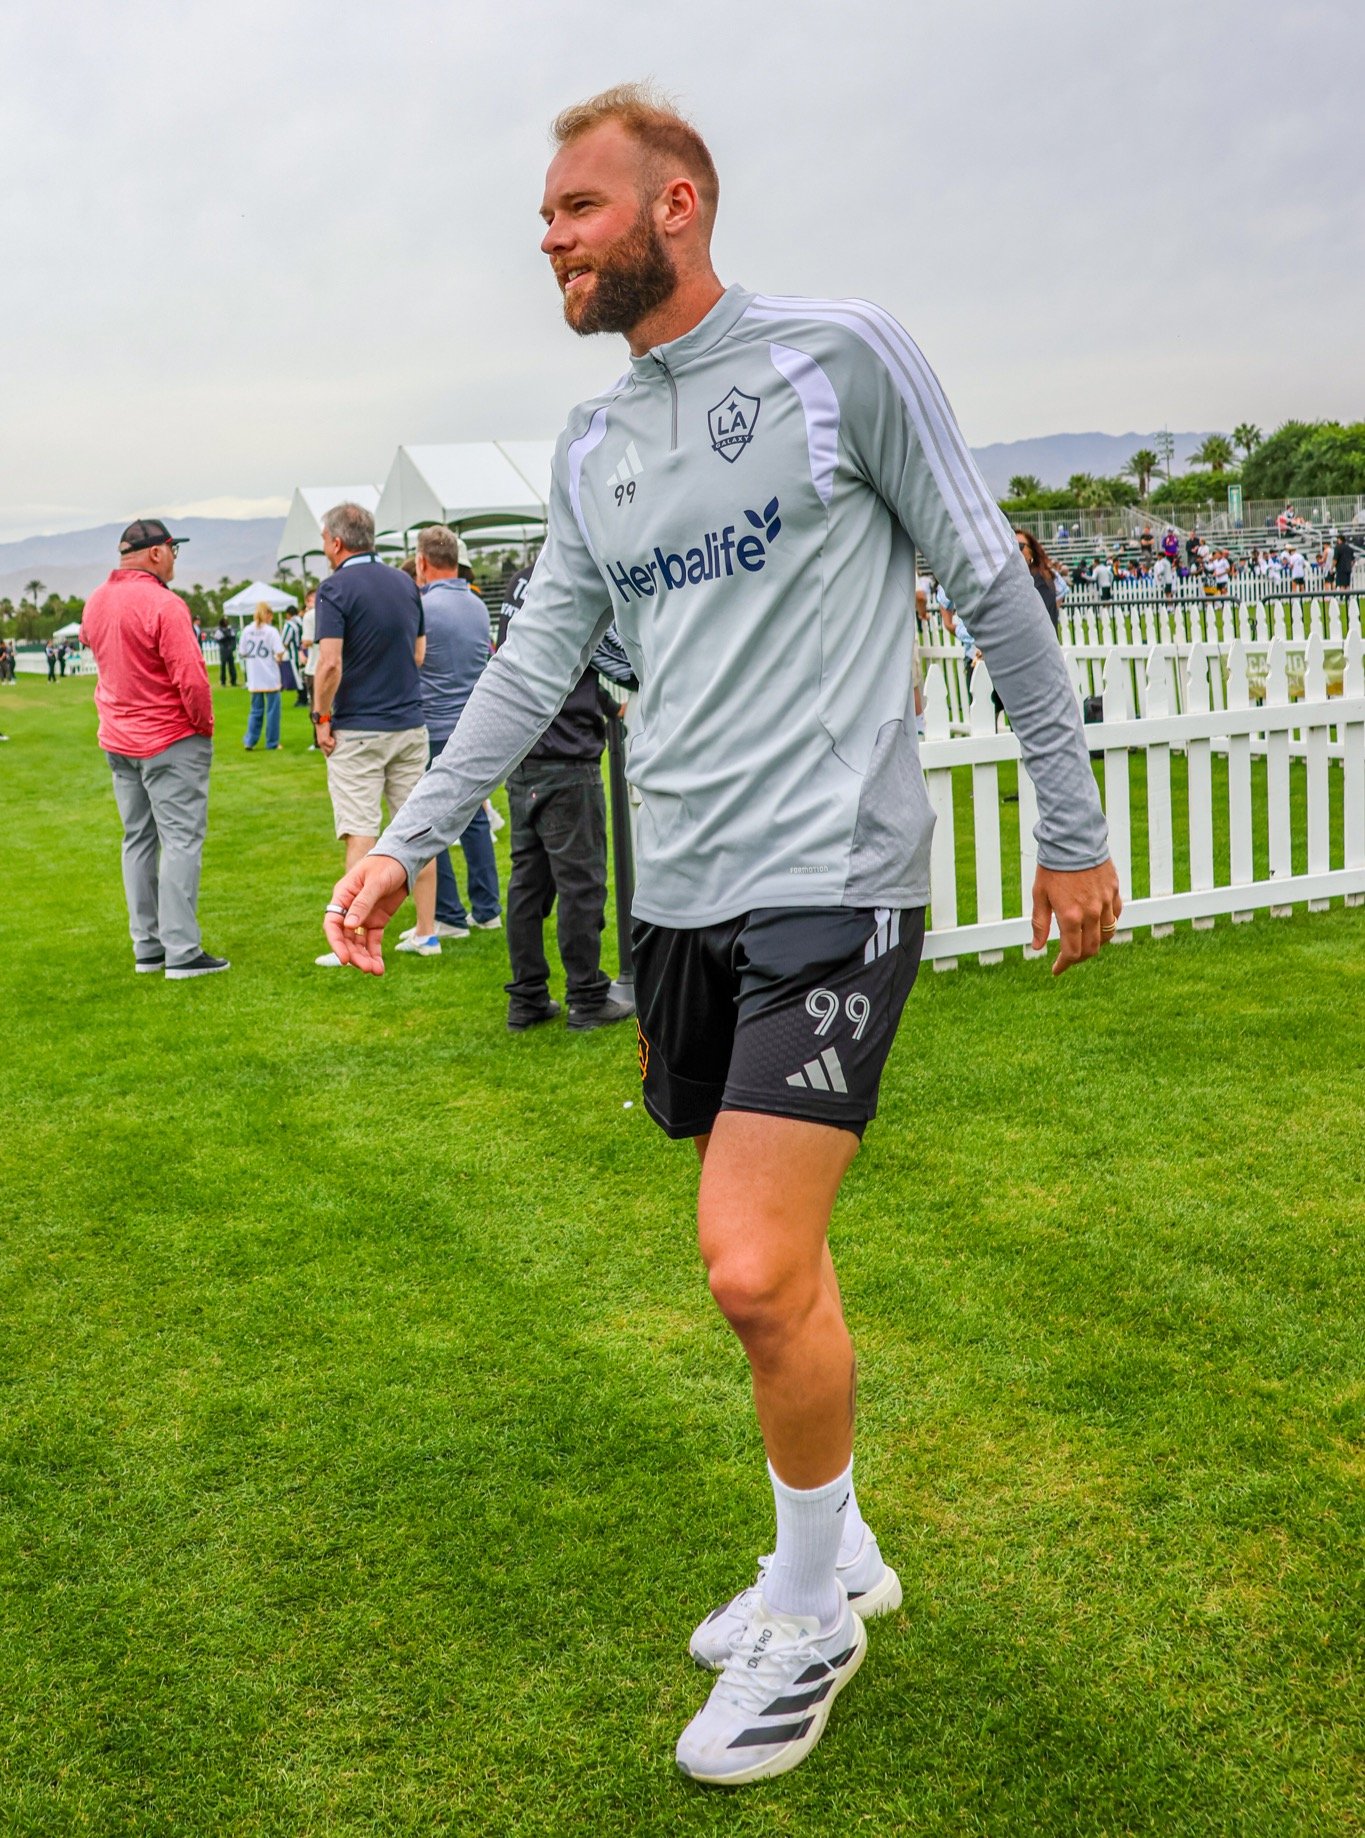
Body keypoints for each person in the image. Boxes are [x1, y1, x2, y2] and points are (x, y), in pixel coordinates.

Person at [320, 85, 1119, 1785]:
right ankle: (832, 1548)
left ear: (676, 207)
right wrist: (405, 841)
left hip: (835, 874)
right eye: (543, 212)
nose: (550, 233)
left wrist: (1070, 824)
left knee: (750, 1263)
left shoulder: (840, 357)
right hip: (677, 895)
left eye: (577, 206)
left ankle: (812, 1614)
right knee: (779, 1272)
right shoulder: (595, 446)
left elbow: (987, 576)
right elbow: (539, 668)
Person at [78, 518, 228, 978]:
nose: (175, 560)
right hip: (168, 738)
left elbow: (93, 644)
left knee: (138, 840)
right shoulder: (165, 604)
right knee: (180, 841)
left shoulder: (97, 600)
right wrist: (203, 726)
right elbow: (191, 678)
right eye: (173, 551)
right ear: (158, 553)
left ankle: (148, 946)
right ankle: (182, 950)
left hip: (119, 738)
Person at [495, 556, 635, 1031]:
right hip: (567, 759)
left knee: (528, 886)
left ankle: (528, 998)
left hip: (523, 753)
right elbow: (615, 657)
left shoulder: (520, 584)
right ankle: (588, 997)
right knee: (582, 885)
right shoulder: (571, 581)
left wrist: (607, 705)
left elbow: (552, 664)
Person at [310, 502, 434, 968]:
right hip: (408, 722)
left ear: (337, 542)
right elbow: (419, 653)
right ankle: (427, 931)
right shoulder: (405, 582)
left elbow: (329, 663)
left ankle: (352, 936)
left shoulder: (335, 588)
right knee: (416, 828)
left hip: (360, 727)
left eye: (324, 541)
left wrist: (321, 718)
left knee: (360, 830)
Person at [395, 524, 503, 954]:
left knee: (431, 819)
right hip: (474, 726)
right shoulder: (477, 606)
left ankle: (449, 915)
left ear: (421, 562)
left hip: (434, 725)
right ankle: (488, 908)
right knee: (474, 816)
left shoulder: (422, 607)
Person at [239, 603, 285, 750]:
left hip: (254, 675)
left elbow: (242, 651)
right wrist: (277, 659)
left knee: (255, 710)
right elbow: (279, 651)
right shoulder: (271, 631)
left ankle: (250, 741)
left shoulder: (247, 630)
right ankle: (272, 742)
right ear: (269, 615)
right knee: (272, 711)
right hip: (270, 675)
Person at [1014, 528, 1061, 630]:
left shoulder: (1041, 581)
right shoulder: (1018, 579)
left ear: (1031, 552)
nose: (1015, 551)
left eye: (1020, 546)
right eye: (1011, 546)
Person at [299, 588, 321, 746]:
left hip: (315, 667)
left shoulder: (310, 616)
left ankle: (319, 739)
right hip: (339, 665)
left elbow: (306, 641)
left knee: (316, 705)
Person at [280, 600, 307, 705]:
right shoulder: (302, 621)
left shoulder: (289, 625)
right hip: (304, 651)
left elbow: (284, 642)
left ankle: (302, 699)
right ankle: (305, 697)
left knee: (298, 676)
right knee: (303, 674)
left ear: (288, 614)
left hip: (294, 653)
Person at [214, 615, 238, 687]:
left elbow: (233, 639)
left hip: (229, 649)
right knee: (223, 666)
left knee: (232, 666)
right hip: (223, 650)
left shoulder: (230, 630)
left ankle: (233, 680)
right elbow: (217, 639)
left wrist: (233, 647)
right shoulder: (219, 631)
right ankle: (223, 681)